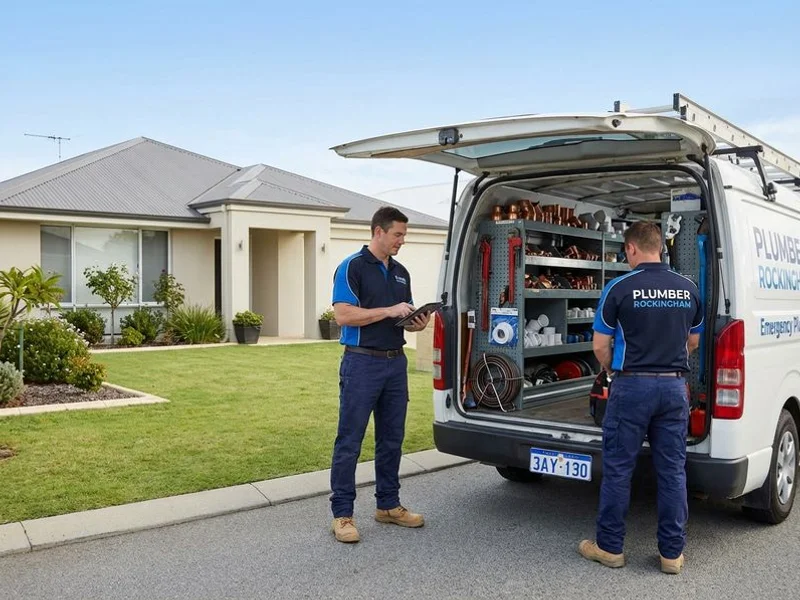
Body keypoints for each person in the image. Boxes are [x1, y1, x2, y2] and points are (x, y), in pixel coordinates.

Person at [578, 220, 704, 574]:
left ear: (632, 248)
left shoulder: (619, 287)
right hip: (673, 388)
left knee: (619, 469)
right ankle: (671, 555)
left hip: (631, 386)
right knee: (672, 471)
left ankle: (610, 548)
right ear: (661, 246)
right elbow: (693, 342)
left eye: (625, 250)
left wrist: (611, 370)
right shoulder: (688, 287)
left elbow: (600, 345)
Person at [328, 206, 431, 543]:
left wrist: (419, 320)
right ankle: (342, 514)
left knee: (391, 438)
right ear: (378, 232)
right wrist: (389, 310)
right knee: (350, 441)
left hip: (394, 363)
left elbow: (406, 311)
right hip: (361, 364)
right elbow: (343, 315)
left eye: (404, 235)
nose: (402, 240)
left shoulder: (401, 272)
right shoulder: (352, 267)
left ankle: (388, 505)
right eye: (398, 234)